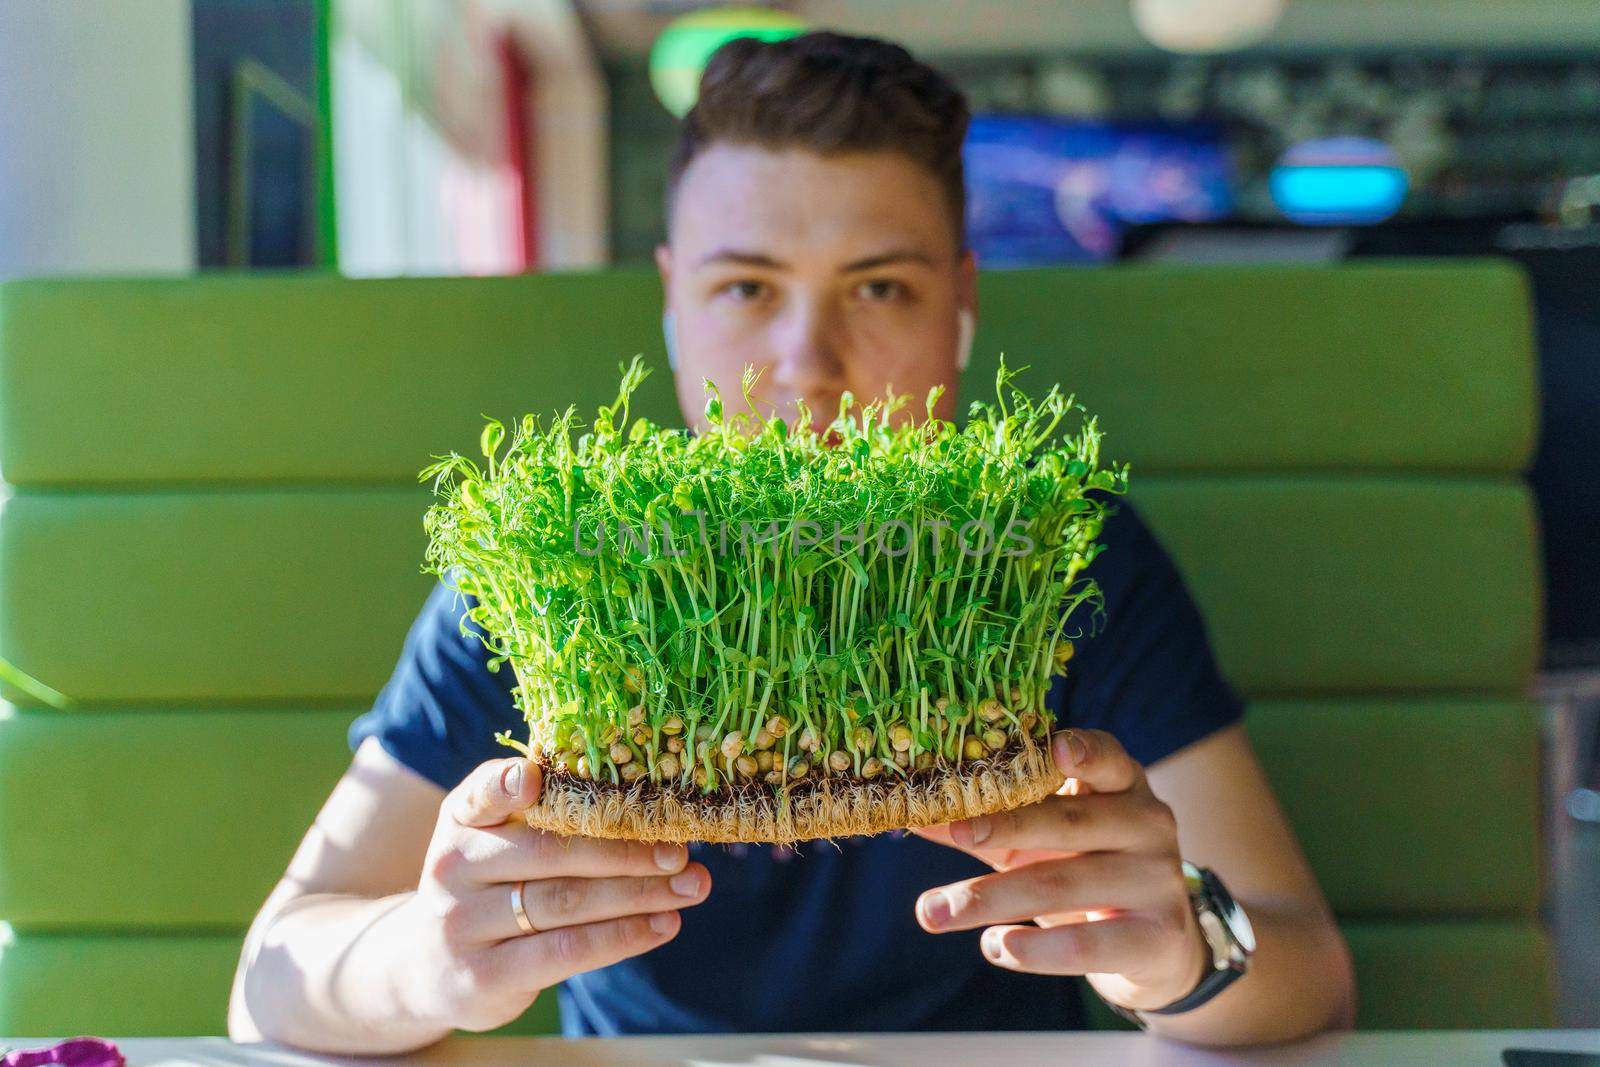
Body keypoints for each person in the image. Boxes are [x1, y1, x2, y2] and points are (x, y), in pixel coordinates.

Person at [229, 31, 1354, 1054]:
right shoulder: (563, 569)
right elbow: (273, 981)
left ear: (959, 306)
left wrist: (1180, 950)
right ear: (674, 303)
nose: (807, 361)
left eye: (878, 285)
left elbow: (1310, 977)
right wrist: (428, 959)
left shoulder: (1054, 553)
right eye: (746, 286)